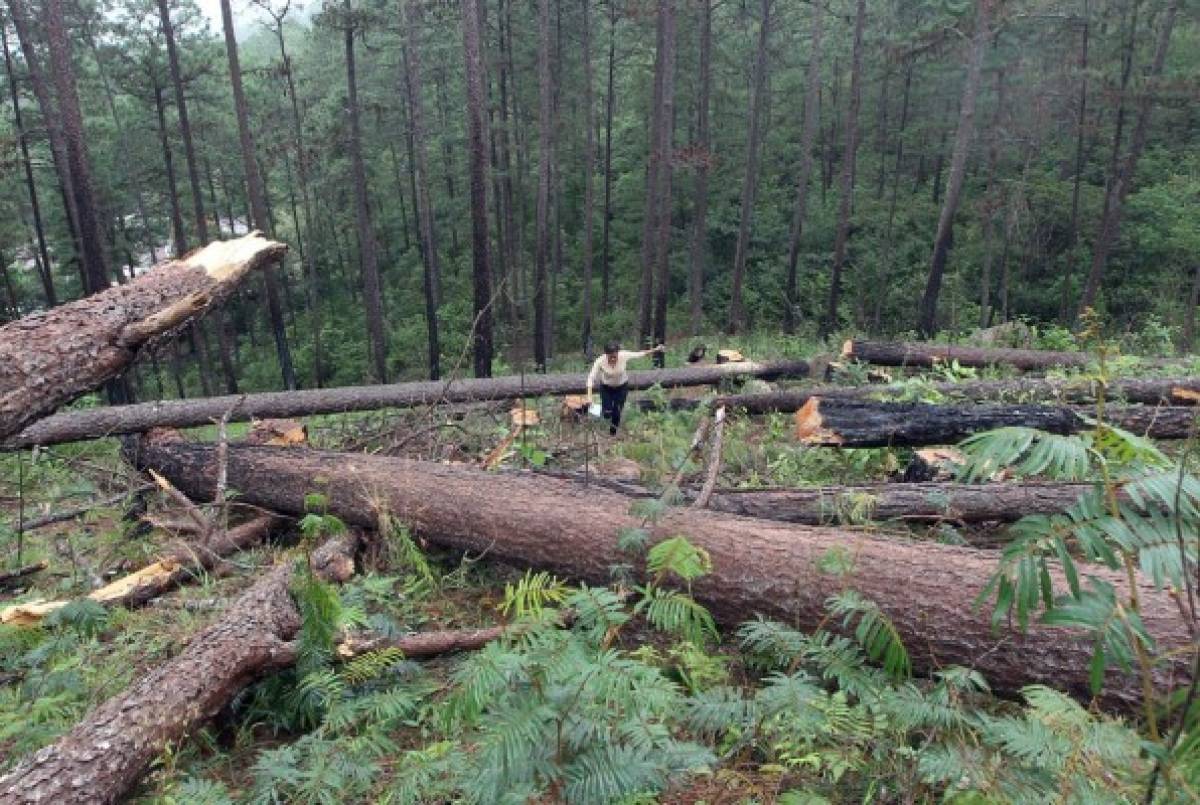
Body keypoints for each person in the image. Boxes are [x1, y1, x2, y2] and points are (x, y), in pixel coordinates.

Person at [586, 341, 665, 435]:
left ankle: (612, 434)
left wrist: (656, 349)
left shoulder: (624, 355)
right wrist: (589, 396)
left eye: (614, 356)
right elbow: (591, 378)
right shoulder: (600, 361)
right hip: (606, 388)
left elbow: (640, 354)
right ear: (606, 355)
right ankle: (596, 411)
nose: (612, 359)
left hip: (621, 388)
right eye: (610, 357)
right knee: (607, 413)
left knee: (617, 411)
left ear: (618, 354)